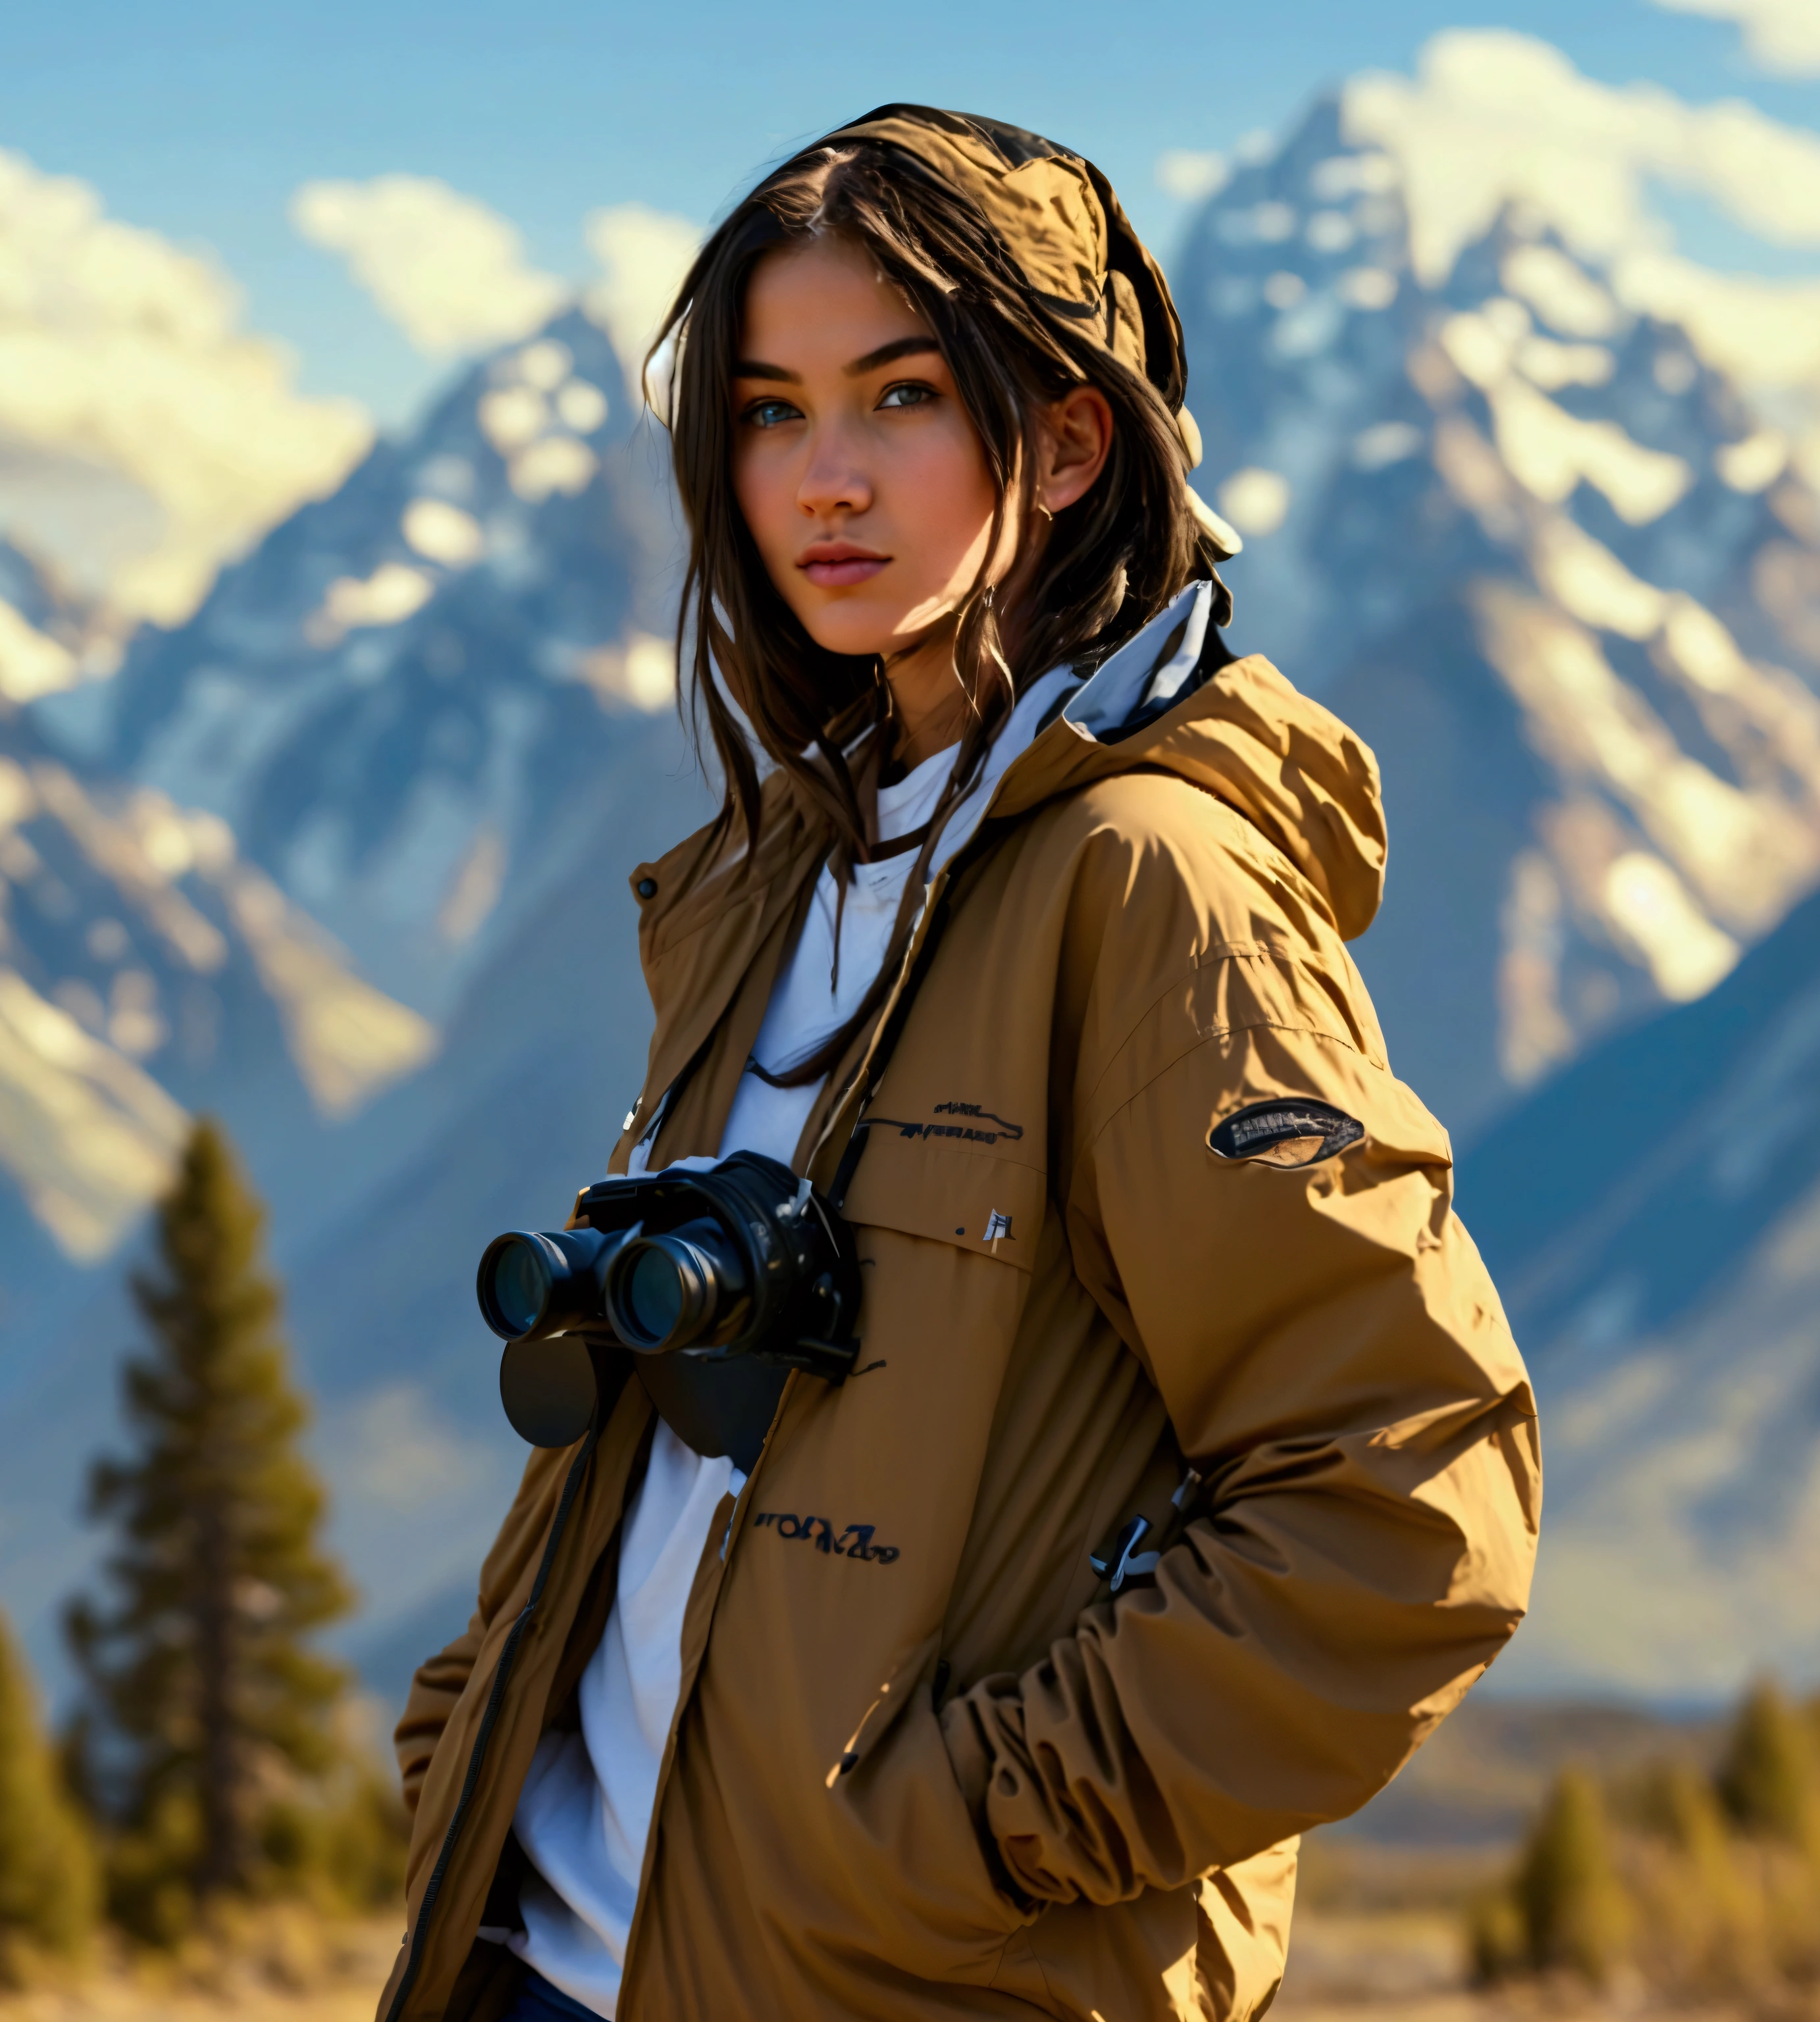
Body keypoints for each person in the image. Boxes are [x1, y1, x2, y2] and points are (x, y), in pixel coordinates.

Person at [379, 105, 1540, 2022]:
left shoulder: (1152, 889)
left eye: (897, 400)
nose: (824, 480)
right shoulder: (771, 882)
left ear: (1069, 439)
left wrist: (962, 1836)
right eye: (768, 411)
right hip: (541, 1966)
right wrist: (476, 1736)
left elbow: (1405, 1504)